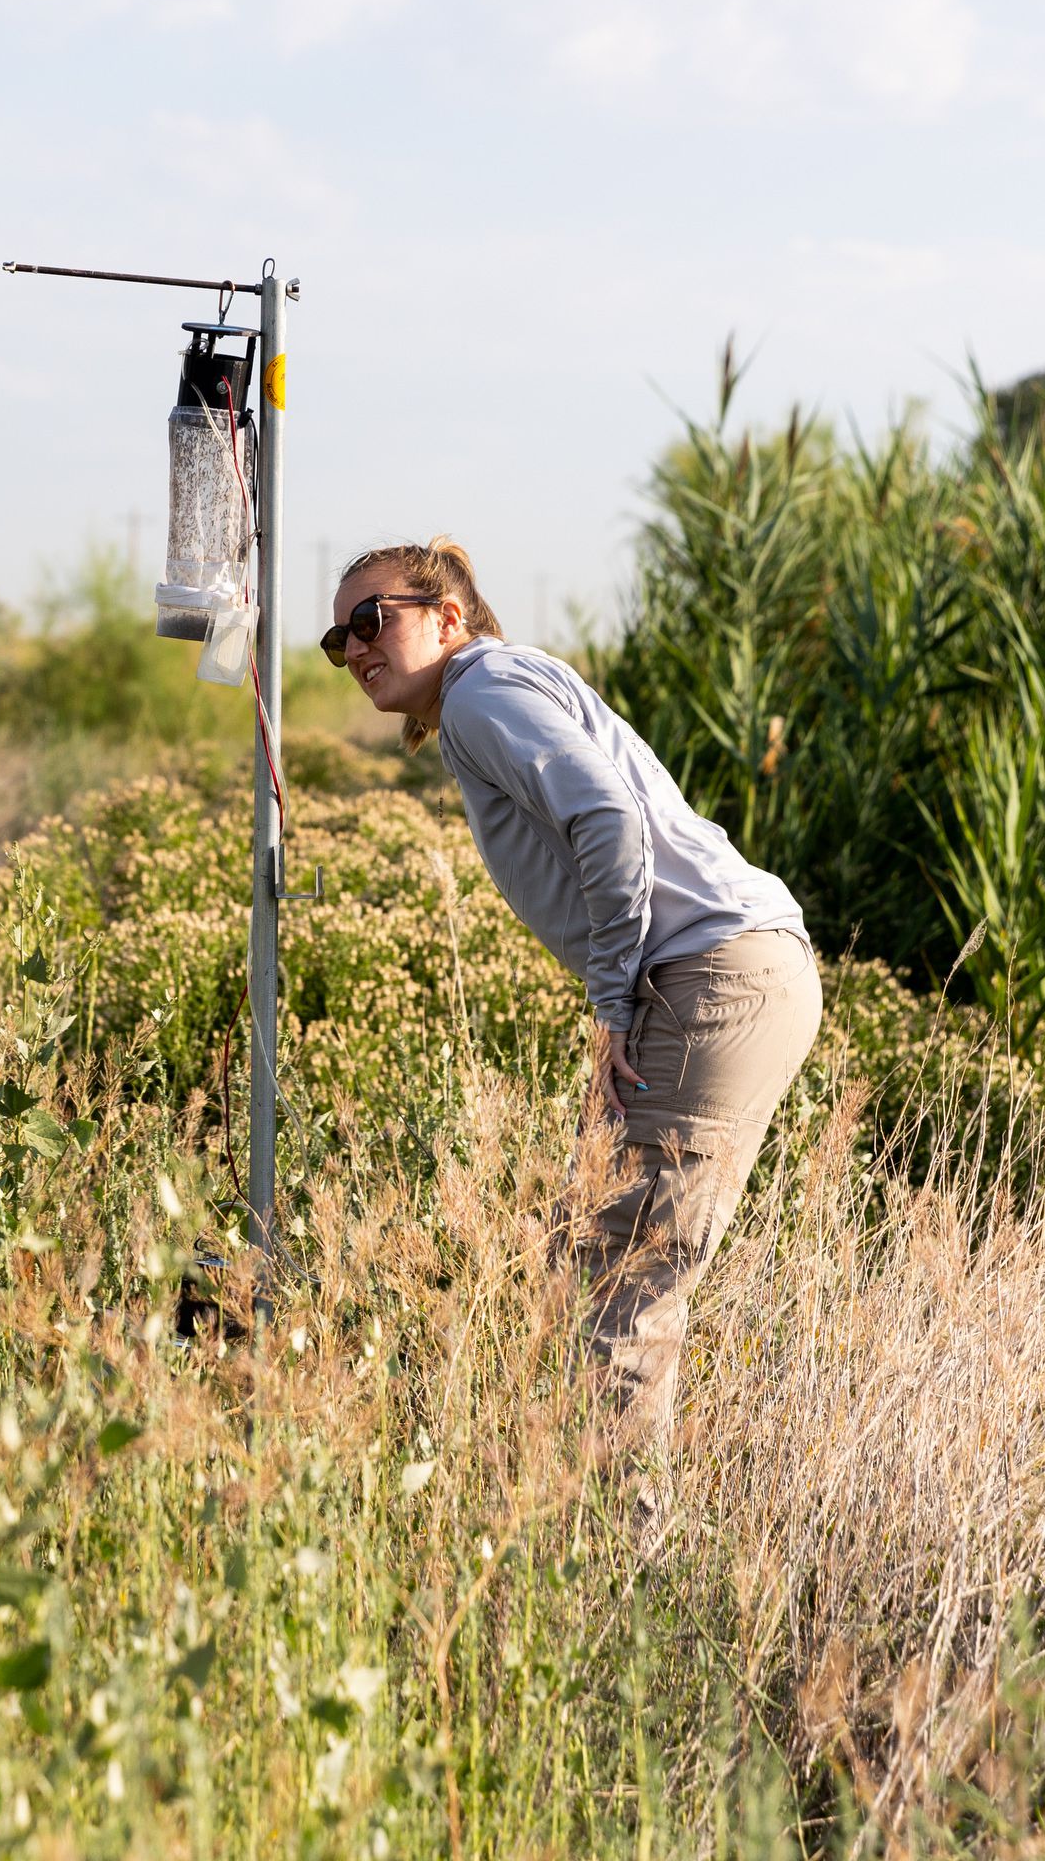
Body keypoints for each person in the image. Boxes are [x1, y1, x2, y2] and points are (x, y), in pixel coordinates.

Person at [325, 536, 820, 1475]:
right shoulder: (499, 685)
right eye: (336, 638)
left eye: (371, 619)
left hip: (713, 977)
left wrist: (614, 1001)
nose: (353, 649)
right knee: (594, 1250)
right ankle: (603, 1539)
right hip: (727, 971)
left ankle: (625, 1585)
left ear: (447, 616)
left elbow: (606, 817)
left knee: (620, 1288)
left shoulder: (478, 693)